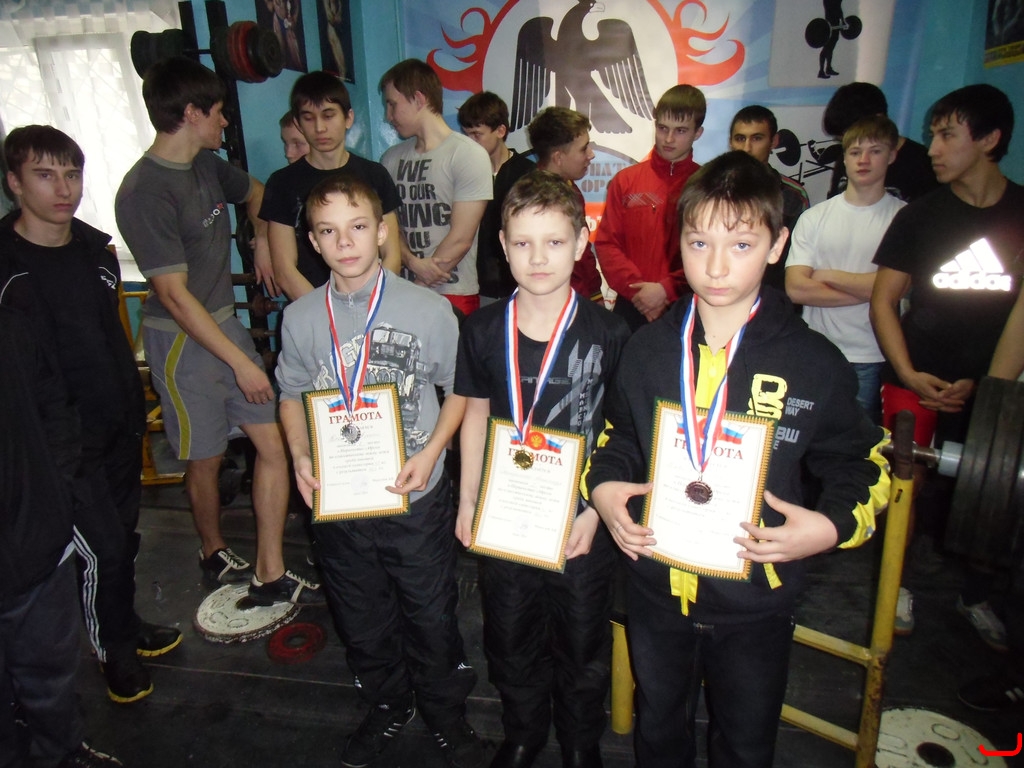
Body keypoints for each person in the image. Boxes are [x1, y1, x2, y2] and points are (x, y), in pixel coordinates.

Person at [584, 151, 889, 768]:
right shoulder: (647, 350)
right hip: (656, 588)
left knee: (746, 742)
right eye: (699, 243)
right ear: (678, 242)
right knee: (658, 726)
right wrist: (605, 490)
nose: (717, 266)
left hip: (756, 600)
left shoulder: (813, 362)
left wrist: (830, 526)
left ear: (778, 246)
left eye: (742, 245)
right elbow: (617, 438)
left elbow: (862, 462)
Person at [275, 175, 488, 768]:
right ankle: (388, 704)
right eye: (328, 231)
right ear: (313, 242)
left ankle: (446, 713)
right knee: (360, 618)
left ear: (381, 232)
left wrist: (433, 451)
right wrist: (299, 456)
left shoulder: (429, 310)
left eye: (358, 227)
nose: (344, 242)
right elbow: (290, 394)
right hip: (339, 500)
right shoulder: (299, 318)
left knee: (430, 614)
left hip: (415, 498)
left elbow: (459, 390)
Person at [115, 57, 321, 606]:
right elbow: (174, 296)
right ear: (190, 113)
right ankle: (212, 551)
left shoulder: (207, 166)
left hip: (225, 323)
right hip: (183, 342)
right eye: (218, 112)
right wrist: (241, 362)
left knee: (274, 443)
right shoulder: (142, 192)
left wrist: (260, 239)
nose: (225, 122)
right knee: (205, 457)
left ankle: (270, 568)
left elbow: (257, 194)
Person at [454, 171, 630, 768]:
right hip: (506, 516)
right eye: (523, 243)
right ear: (503, 246)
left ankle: (580, 741)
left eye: (554, 242)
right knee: (509, 632)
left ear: (580, 243)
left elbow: (624, 431)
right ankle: (524, 732)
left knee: (582, 638)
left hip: (580, 520)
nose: (537, 258)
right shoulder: (482, 329)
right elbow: (475, 414)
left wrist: (597, 512)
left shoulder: (610, 332)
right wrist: (468, 500)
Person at [1, 125, 182, 704]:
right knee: (102, 545)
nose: (63, 189)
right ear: (14, 183)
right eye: (44, 175)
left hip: (116, 426)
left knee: (121, 539)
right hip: (54, 445)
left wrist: (134, 410)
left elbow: (110, 340)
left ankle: (124, 623)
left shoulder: (94, 252)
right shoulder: (6, 270)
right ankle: (113, 652)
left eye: (71, 174)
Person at [870, 84, 1023, 650]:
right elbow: (884, 301)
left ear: (989, 139)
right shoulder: (920, 216)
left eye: (947, 135)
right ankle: (897, 585)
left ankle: (977, 594)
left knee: (993, 495)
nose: (932, 148)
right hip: (915, 376)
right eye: (933, 134)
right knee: (906, 486)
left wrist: (990, 387)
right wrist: (909, 373)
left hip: (990, 384)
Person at [0, 306, 124, 768]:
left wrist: (54, 488)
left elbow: (55, 401)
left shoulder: (13, 323)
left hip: (36, 535)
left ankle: (62, 753)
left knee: (50, 669)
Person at [786, 115, 904, 424]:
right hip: (816, 351)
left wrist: (827, 276)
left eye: (875, 151)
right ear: (845, 157)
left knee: (857, 443)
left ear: (892, 155)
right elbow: (796, 289)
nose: (863, 160)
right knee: (805, 438)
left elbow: (903, 287)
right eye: (855, 152)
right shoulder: (814, 217)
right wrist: (876, 290)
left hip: (872, 354)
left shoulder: (905, 219)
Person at [262, 71, 402, 302]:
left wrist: (370, 304)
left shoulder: (375, 175)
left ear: (348, 118)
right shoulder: (282, 183)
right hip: (313, 307)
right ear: (298, 123)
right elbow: (285, 270)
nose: (319, 128)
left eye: (328, 116)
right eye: (309, 118)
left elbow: (392, 255)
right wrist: (327, 313)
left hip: (373, 303)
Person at [379, 58, 492, 316]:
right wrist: (411, 263)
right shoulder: (390, 159)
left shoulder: (468, 154)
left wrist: (419, 287)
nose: (388, 116)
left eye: (392, 104)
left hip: (453, 291)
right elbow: (389, 227)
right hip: (403, 290)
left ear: (418, 99)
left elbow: (461, 238)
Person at [595, 85, 704, 332]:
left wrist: (667, 289)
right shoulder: (625, 181)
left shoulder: (707, 186)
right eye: (663, 128)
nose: (669, 139)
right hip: (630, 305)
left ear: (698, 133)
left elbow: (709, 253)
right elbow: (607, 244)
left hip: (685, 306)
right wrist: (639, 293)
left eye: (680, 131)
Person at [457, 91, 537, 303]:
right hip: (472, 282)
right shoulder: (462, 171)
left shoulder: (527, 174)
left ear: (500, 130)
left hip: (517, 283)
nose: (470, 142)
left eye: (477, 135)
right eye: (466, 135)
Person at [729, 105, 809, 295]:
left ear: (774, 141)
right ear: (731, 142)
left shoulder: (792, 195)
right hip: (722, 293)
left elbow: (798, 260)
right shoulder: (713, 191)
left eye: (757, 138)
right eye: (740, 138)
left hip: (773, 299)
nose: (747, 148)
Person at [527, 107, 604, 304]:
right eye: (583, 149)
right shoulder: (533, 201)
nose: (591, 154)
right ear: (558, 158)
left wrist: (595, 295)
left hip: (580, 300)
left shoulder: (570, 189)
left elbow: (582, 253)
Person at [823, 82, 938, 202]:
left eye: (854, 134)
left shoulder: (923, 165)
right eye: (844, 141)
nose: (850, 145)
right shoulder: (845, 160)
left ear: (879, 120)